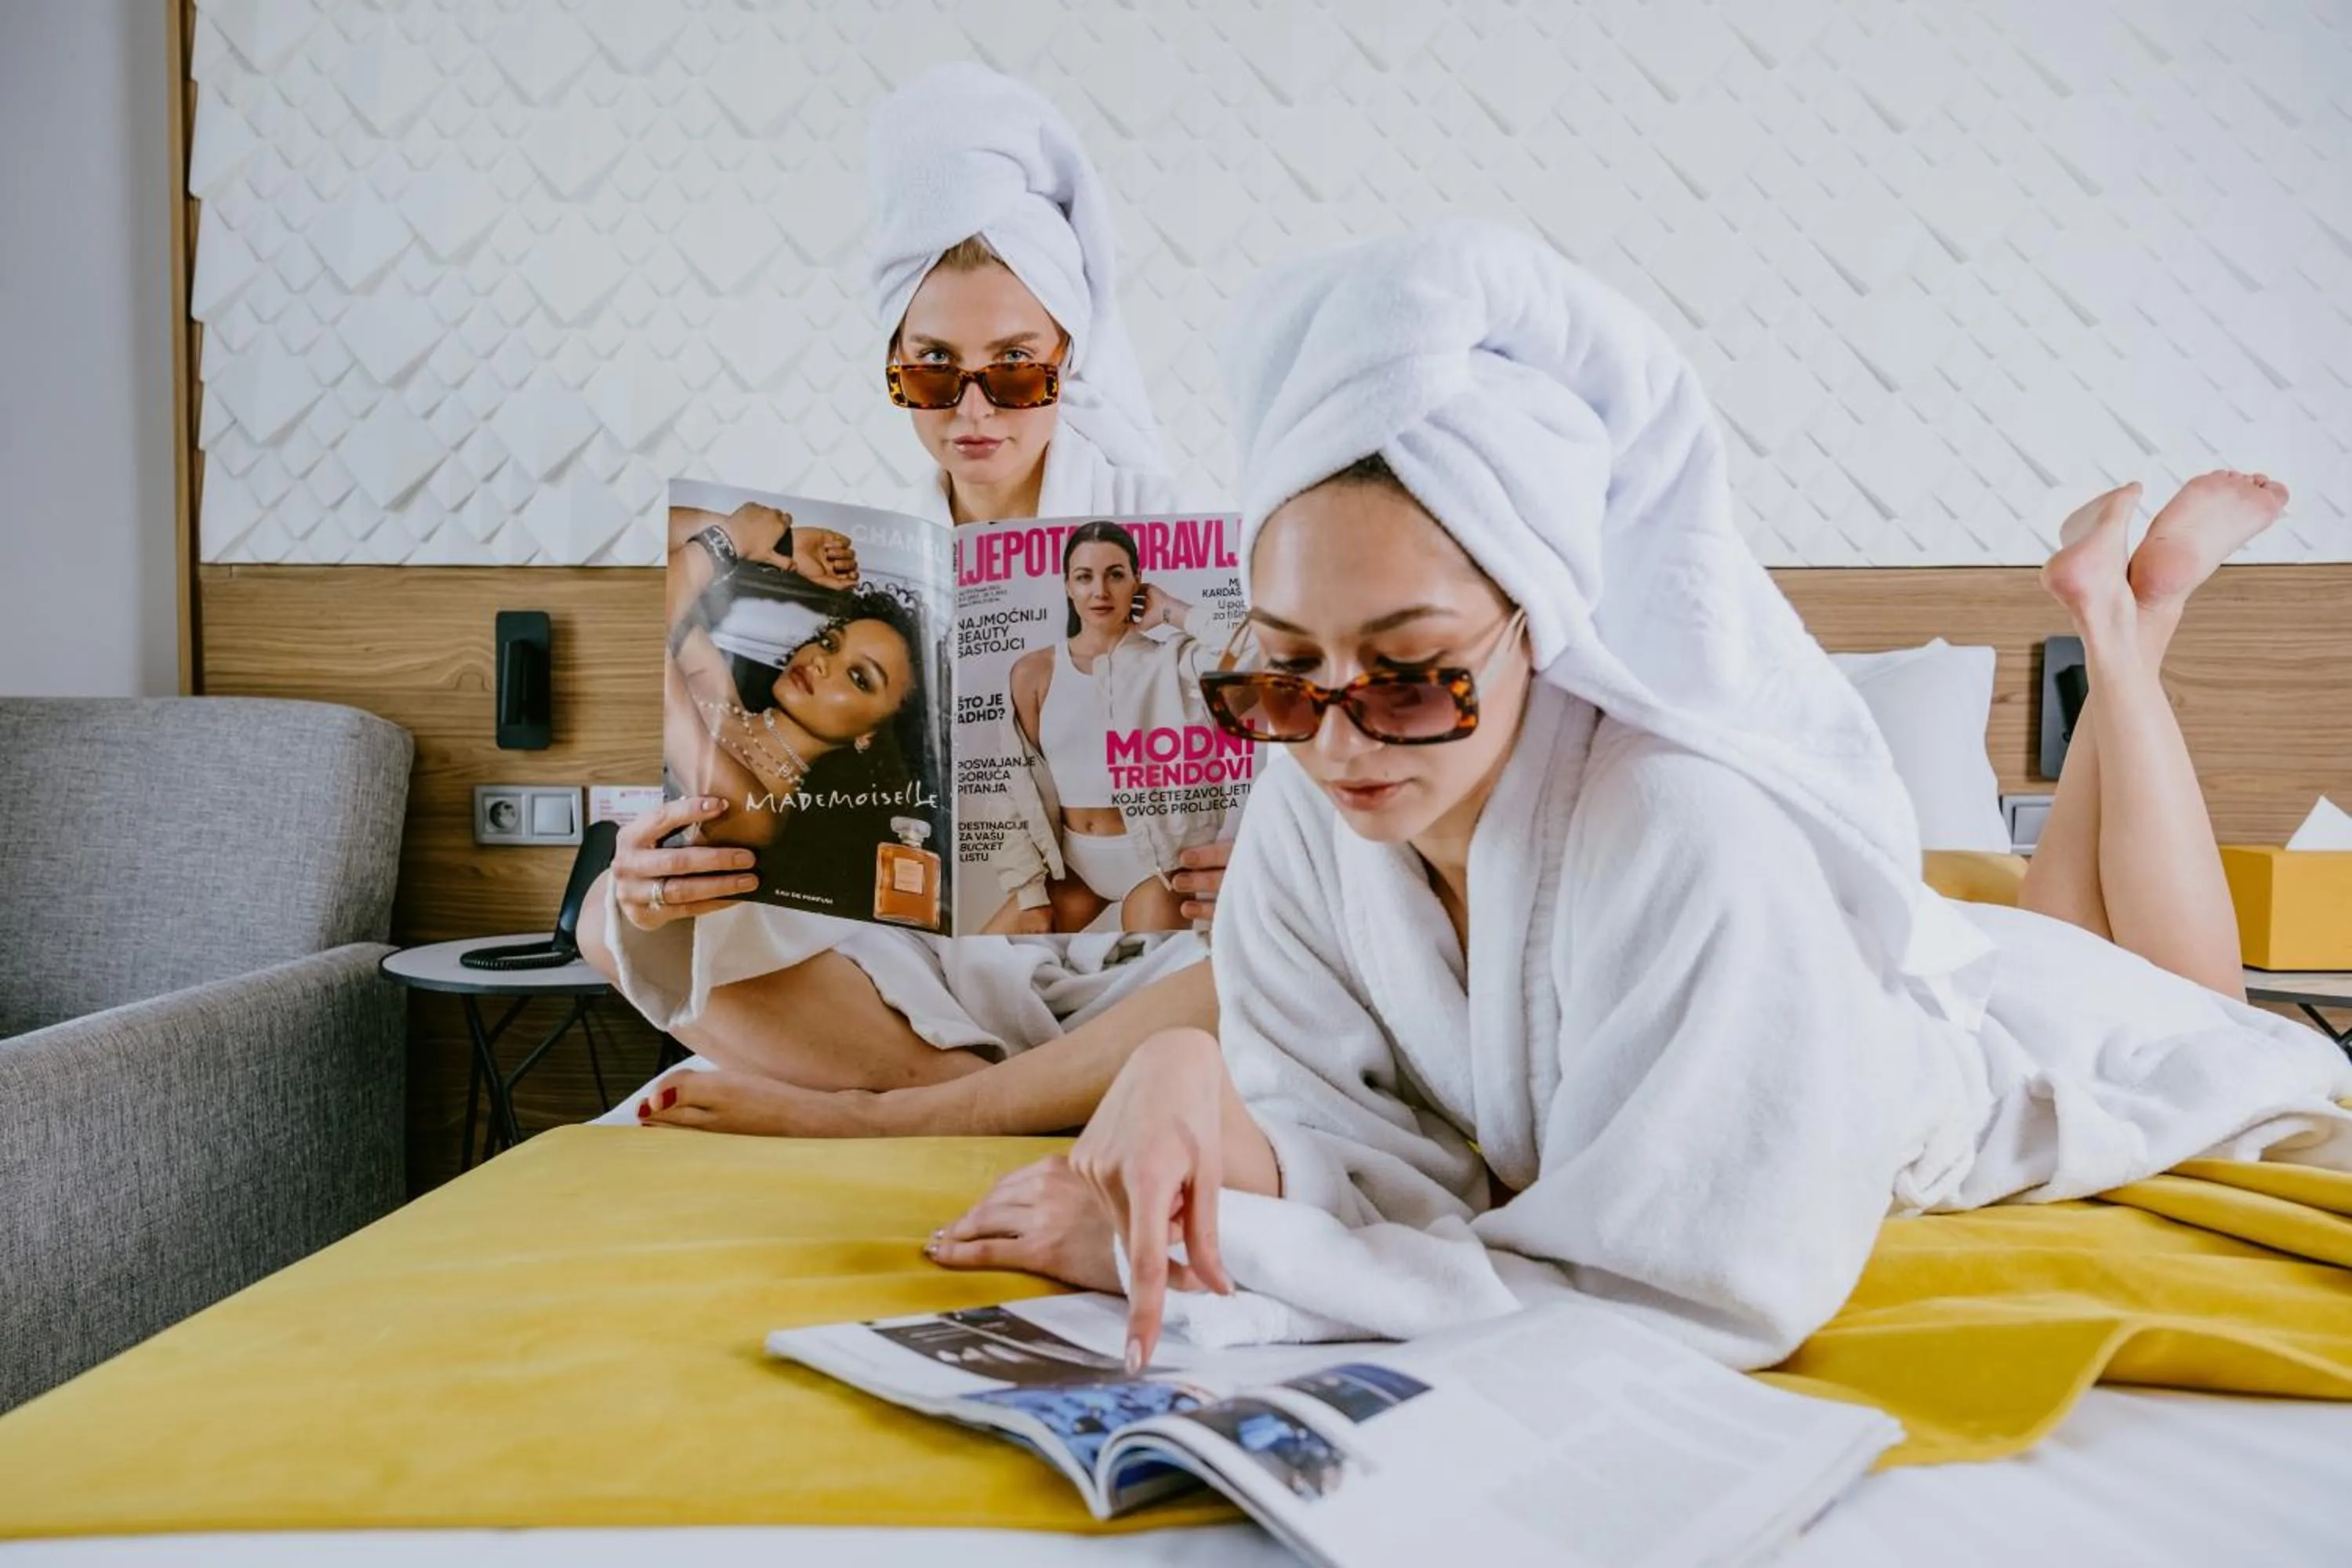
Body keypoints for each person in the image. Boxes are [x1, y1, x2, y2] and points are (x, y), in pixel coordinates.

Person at [926, 220, 2352, 1374]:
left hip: (1956, 1078)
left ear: (1539, 626)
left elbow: (1682, 1286)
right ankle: (2126, 612)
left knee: (2202, 1018)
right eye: (1287, 673)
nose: (1339, 736)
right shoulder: (1309, 796)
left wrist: (1220, 1252)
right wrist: (1182, 1073)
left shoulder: (1691, 834)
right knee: (2074, 928)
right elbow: (1367, 1144)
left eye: (1414, 673)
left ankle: (2126, 623)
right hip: (1946, 968)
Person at [576, 64, 1232, 1138]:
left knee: (1295, 957)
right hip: (934, 972)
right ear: (895, 365)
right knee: (615, 914)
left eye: (1014, 368)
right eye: (934, 371)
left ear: (1069, 359)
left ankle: (893, 1108)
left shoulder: (1177, 537)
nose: (973, 409)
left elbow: (1308, 792)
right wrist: (661, 875)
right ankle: (953, 1102)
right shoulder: (877, 569)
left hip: (1146, 960)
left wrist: (1255, 861)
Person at [985, 519, 1237, 935]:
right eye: (1085, 577)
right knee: (974, 964)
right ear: (1067, 585)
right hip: (1074, 868)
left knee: (1145, 980)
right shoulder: (1034, 672)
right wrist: (1031, 896)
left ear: (1138, 582)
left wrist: (1173, 609)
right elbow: (1014, 788)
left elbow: (1258, 657)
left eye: (1115, 575)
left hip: (1154, 867)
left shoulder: (1174, 661)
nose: (1100, 592)